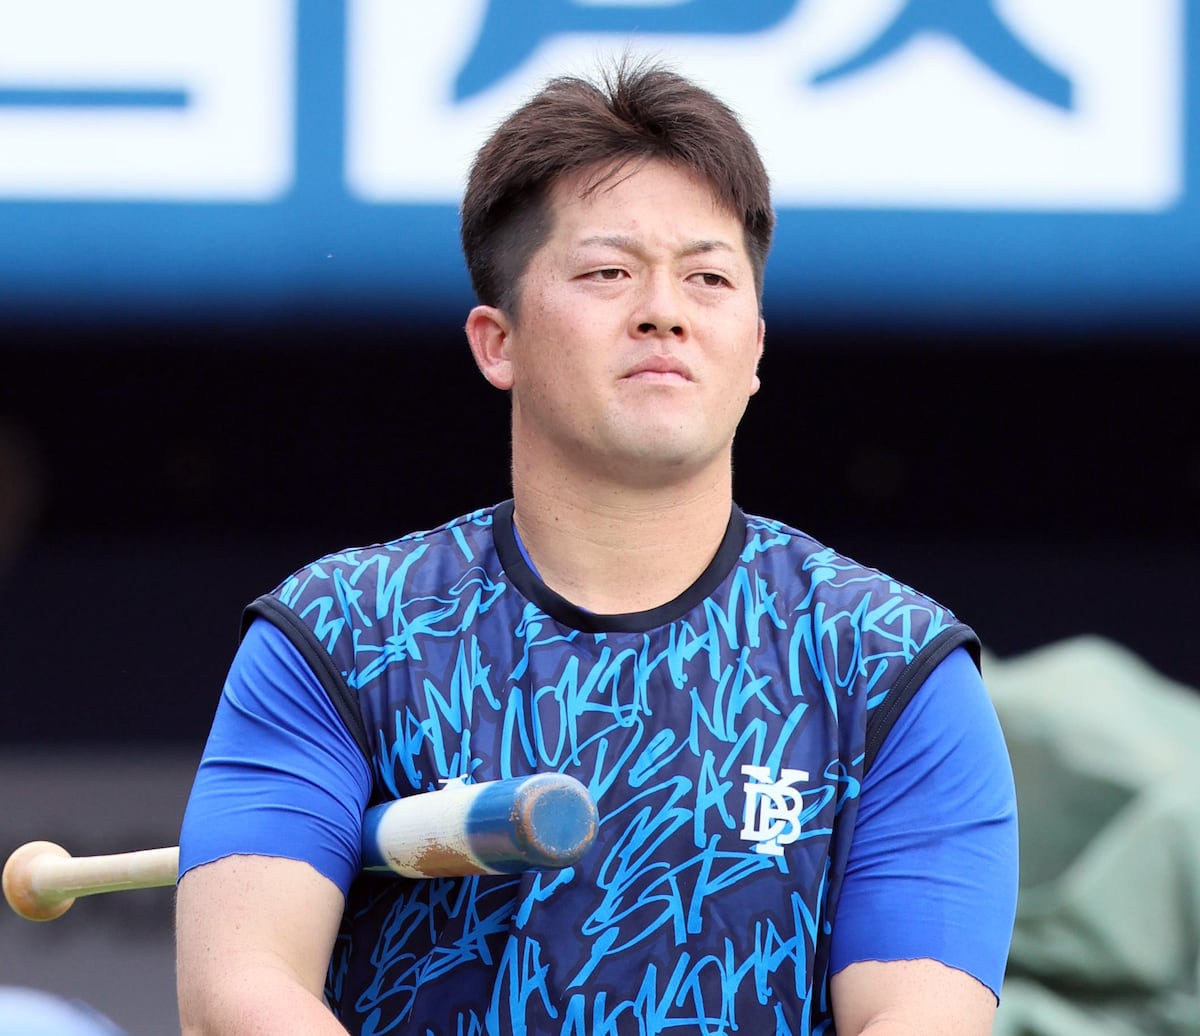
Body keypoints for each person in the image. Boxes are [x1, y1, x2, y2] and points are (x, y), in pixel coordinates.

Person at [175, 58, 1018, 1035]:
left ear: (754, 346)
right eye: (609, 272)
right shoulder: (339, 634)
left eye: (708, 277)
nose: (664, 310)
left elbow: (920, 1017)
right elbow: (239, 992)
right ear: (498, 341)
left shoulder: (893, 666)